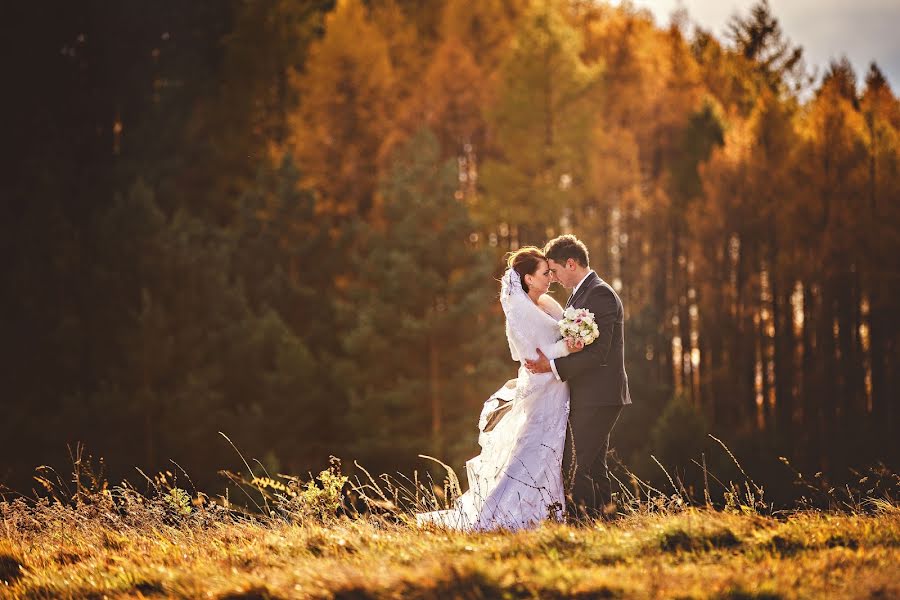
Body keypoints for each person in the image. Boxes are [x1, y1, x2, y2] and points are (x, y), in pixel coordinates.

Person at [416, 247, 581, 531]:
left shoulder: (546, 304)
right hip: (542, 390)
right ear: (528, 279)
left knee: (549, 452)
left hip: (556, 385)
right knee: (534, 448)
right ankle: (507, 513)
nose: (551, 277)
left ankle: (548, 511)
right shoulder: (521, 311)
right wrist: (569, 346)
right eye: (545, 273)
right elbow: (532, 355)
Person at [525, 234, 631, 520]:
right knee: (594, 466)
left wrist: (552, 367)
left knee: (575, 463)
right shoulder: (579, 295)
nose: (554, 278)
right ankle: (606, 521)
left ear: (571, 264)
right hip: (588, 394)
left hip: (600, 395)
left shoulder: (600, 294)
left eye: (555, 271)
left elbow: (600, 354)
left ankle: (579, 524)